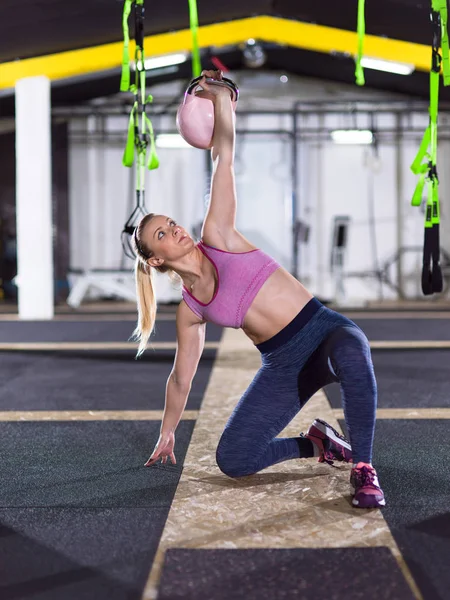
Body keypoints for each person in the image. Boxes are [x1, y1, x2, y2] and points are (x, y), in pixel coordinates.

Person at [132, 70, 385, 509]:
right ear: (156, 260)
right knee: (234, 458)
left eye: (170, 223)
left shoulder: (219, 235)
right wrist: (168, 429)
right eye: (161, 235)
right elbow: (181, 377)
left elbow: (222, 158)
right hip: (284, 364)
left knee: (353, 353)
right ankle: (319, 445)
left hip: (323, 332)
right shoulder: (190, 310)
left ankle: (363, 467)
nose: (173, 230)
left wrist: (222, 100)